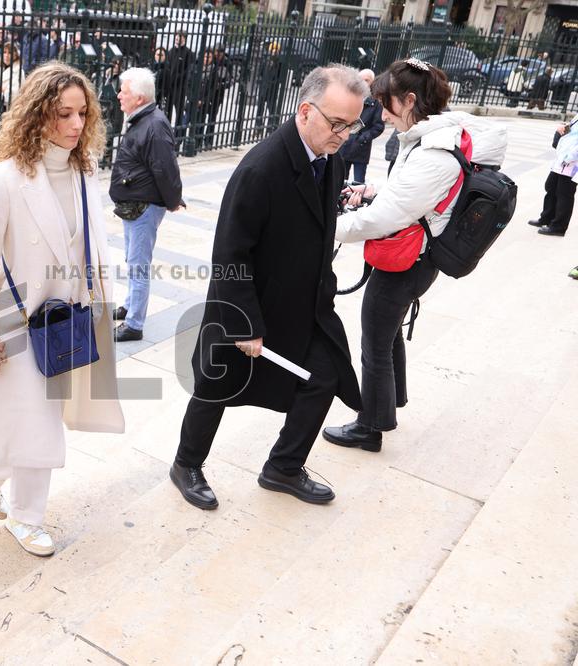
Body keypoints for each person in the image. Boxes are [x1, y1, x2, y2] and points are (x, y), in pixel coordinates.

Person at [171, 65, 367, 509]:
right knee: (216, 386)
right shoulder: (260, 169)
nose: (345, 135)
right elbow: (229, 254)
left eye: (352, 124)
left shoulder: (329, 157)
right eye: (338, 123)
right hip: (247, 305)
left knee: (325, 376)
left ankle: (283, 467)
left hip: (303, 304)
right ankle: (186, 463)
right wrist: (245, 324)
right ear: (305, 112)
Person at [0, 62, 125, 557]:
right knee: (36, 421)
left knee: (35, 416)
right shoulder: (4, 179)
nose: (76, 125)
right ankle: (26, 516)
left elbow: (88, 244)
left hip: (69, 318)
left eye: (82, 113)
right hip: (16, 322)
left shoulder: (85, 170)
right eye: (63, 114)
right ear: (37, 115)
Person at [323, 59, 508, 452]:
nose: (384, 114)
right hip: (412, 256)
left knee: (375, 342)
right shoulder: (428, 141)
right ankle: (390, 402)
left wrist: (325, 228)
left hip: (408, 262)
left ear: (409, 100)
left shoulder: (433, 155)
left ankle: (370, 427)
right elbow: (406, 198)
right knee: (387, 337)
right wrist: (373, 191)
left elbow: (389, 217)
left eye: (387, 104)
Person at [110, 67, 183, 342]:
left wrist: (173, 200)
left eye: (124, 91)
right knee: (133, 259)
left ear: (139, 97)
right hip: (136, 205)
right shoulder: (142, 119)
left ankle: (134, 324)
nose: (119, 96)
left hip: (144, 207)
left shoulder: (152, 124)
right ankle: (131, 306)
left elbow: (165, 168)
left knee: (139, 264)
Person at [528, 113, 578, 237]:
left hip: (571, 162)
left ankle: (558, 227)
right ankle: (547, 218)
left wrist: (569, 157)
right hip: (562, 159)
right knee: (551, 186)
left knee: (564, 193)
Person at [338, 69, 385, 183]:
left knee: (358, 182)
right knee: (340, 179)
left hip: (361, 148)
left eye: (366, 80)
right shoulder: (349, 97)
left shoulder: (375, 103)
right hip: (345, 145)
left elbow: (379, 126)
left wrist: (363, 138)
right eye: (359, 79)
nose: (362, 83)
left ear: (372, 83)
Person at [165, 31, 194, 133]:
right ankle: (167, 132)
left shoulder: (188, 53)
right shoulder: (170, 51)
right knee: (167, 111)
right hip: (170, 87)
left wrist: (178, 77)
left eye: (180, 37)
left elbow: (188, 70)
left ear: (184, 39)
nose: (177, 39)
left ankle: (178, 136)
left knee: (179, 112)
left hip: (181, 87)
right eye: (176, 37)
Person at [257, 41, 284, 133]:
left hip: (272, 90)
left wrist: (274, 82)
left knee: (272, 109)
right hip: (263, 88)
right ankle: (258, 127)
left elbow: (281, 78)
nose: (274, 52)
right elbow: (260, 73)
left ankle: (270, 128)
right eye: (272, 49)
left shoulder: (280, 63)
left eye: (276, 50)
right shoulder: (265, 60)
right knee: (260, 108)